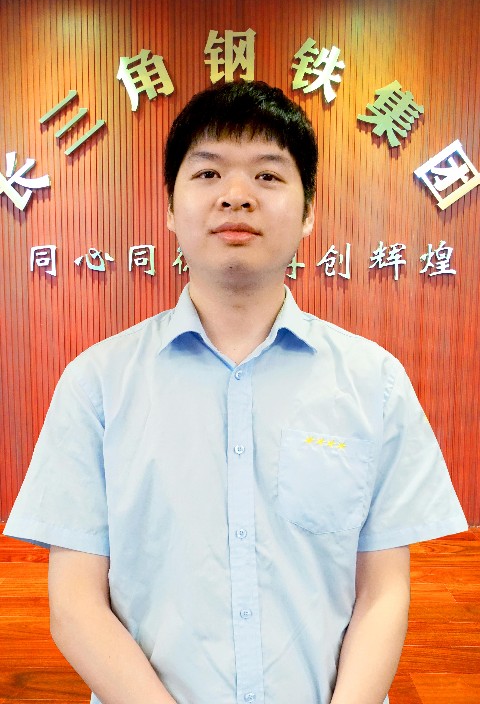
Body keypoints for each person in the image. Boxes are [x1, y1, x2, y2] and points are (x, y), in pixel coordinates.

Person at [5, 80, 467, 704]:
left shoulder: (373, 381)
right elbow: (75, 604)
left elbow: (383, 591)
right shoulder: (97, 384)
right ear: (170, 209)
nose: (236, 195)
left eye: (268, 176)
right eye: (208, 173)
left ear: (308, 212)